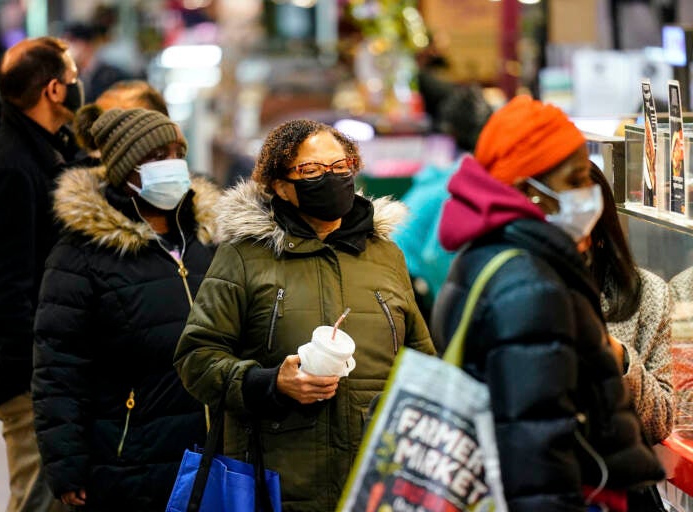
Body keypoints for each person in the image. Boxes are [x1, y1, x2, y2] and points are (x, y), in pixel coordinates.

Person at [174, 119, 436, 511]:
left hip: (375, 483)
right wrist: (270, 384)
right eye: (311, 171)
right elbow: (196, 358)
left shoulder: (386, 256)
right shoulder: (245, 257)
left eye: (340, 167)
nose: (330, 178)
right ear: (280, 185)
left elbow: (421, 361)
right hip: (280, 485)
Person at [430, 96, 664, 511]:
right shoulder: (532, 285)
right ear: (527, 191)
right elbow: (537, 452)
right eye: (574, 180)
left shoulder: (485, 256)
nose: (589, 193)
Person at [32, 106, 220, 510]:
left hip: (212, 456)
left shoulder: (206, 241)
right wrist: (66, 466)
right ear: (124, 170)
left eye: (177, 152)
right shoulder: (81, 256)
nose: (171, 165)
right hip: (130, 462)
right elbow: (59, 369)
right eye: (156, 157)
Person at [0, 36, 83, 512]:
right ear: (53, 90)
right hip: (29, 382)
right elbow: (0, 290)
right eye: (73, 80)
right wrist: (39, 372)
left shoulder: (46, 150)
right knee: (38, 499)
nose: (79, 89)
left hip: (47, 373)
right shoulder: (9, 165)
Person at [588, 162, 674, 445]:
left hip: (615, 475)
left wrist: (618, 356)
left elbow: (662, 421)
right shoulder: (517, 288)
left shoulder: (649, 294)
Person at [392, 85, 492, 323]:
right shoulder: (464, 180)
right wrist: (447, 309)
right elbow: (434, 255)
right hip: (403, 278)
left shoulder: (450, 172)